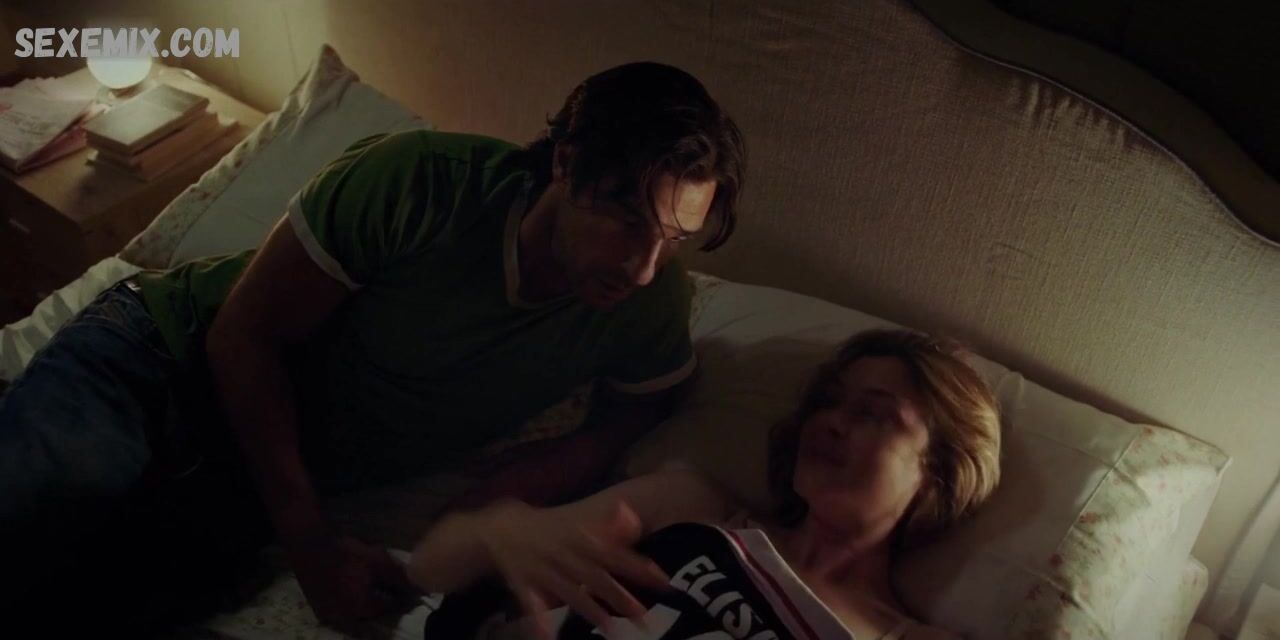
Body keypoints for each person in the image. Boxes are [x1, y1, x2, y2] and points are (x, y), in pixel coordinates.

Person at [0, 61, 745, 634]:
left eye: (672, 239)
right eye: (628, 221)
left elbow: (636, 413)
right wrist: (309, 542)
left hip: (250, 470)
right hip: (160, 359)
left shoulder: (649, 302)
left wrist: (497, 503)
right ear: (567, 163)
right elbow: (245, 335)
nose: (642, 265)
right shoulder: (419, 184)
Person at [408, 329, 1002, 640]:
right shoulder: (695, 508)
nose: (831, 422)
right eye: (828, 401)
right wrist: (504, 531)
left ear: (937, 475)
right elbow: (432, 566)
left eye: (873, 414)